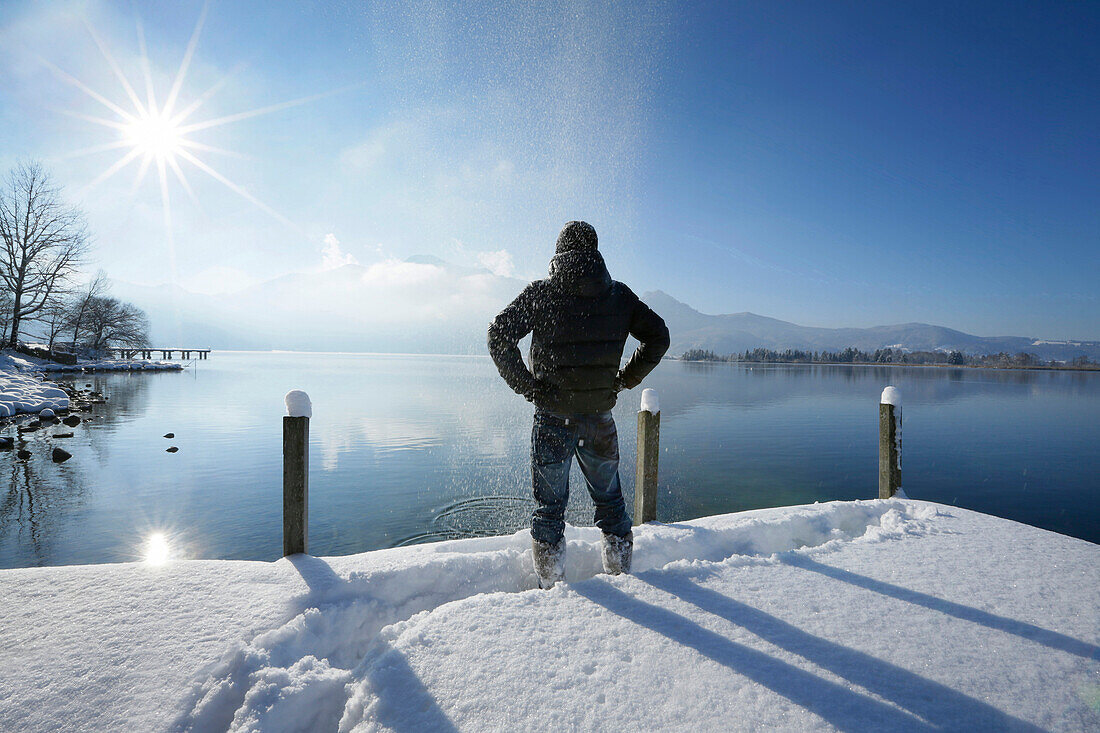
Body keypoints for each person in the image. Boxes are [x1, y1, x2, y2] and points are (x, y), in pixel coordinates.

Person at [488, 221, 670, 588]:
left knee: (550, 509)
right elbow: (659, 338)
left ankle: (552, 586)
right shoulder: (619, 297)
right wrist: (624, 380)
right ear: (596, 253)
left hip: (553, 418)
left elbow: (498, 335)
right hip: (600, 419)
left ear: (558, 253)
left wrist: (529, 387)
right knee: (611, 505)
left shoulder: (543, 293)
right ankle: (620, 577)